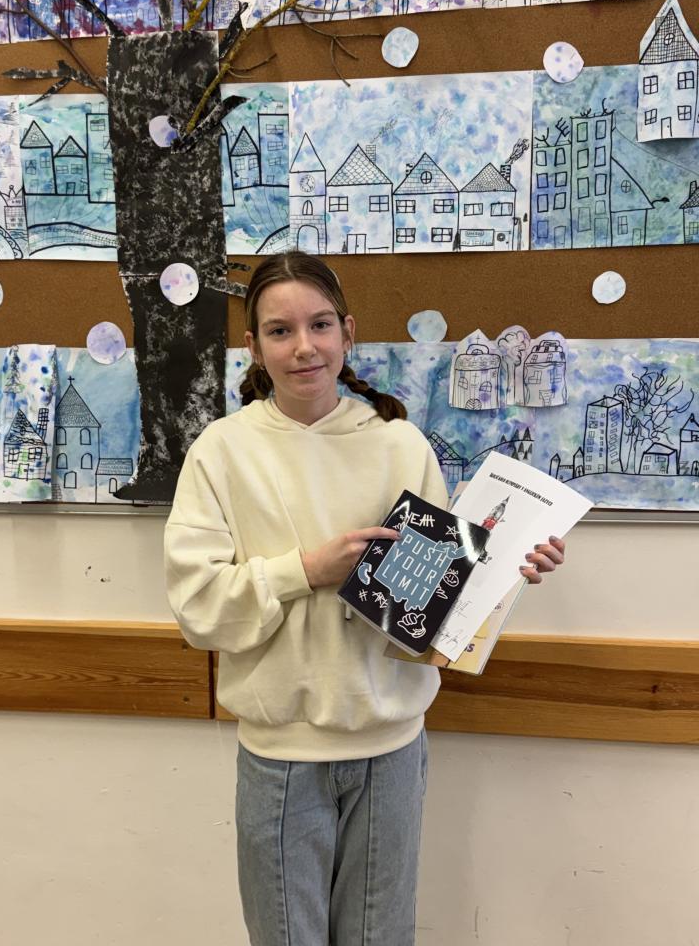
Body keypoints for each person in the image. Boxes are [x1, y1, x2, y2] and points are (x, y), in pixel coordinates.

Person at [164, 251, 565, 946]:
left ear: (347, 333)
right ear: (254, 346)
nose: (304, 347)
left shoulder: (400, 445)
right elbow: (198, 605)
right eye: (280, 331)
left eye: (320, 325)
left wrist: (510, 570)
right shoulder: (221, 452)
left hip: (392, 751)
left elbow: (438, 609)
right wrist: (305, 570)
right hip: (281, 758)